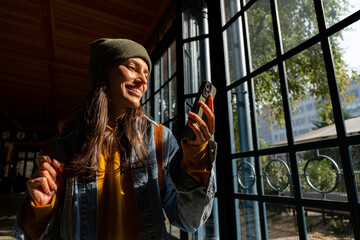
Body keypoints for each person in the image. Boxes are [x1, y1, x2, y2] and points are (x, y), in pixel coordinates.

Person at [11, 38, 217, 240]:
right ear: (103, 73)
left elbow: (188, 220)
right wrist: (41, 208)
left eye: (146, 73)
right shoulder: (62, 146)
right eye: (132, 68)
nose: (144, 80)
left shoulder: (159, 138)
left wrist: (197, 158)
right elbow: (34, 233)